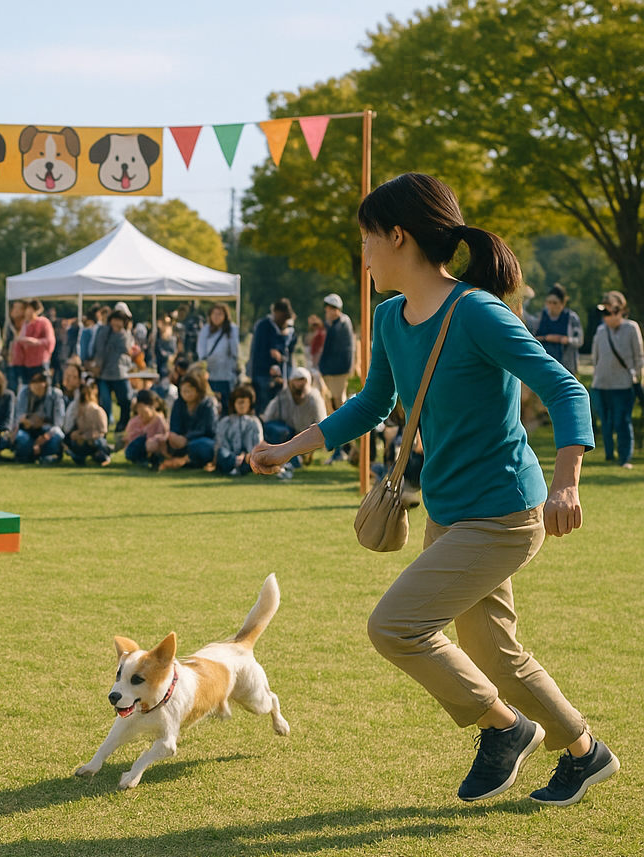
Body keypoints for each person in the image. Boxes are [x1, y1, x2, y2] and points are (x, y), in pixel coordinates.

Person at [253, 171, 616, 805]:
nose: (362, 253)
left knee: (395, 625)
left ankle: (506, 730)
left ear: (398, 237)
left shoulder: (477, 311)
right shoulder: (390, 317)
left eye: (367, 238)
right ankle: (586, 753)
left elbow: (565, 387)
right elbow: (371, 405)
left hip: (506, 512)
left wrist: (567, 482)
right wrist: (289, 447)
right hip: (446, 513)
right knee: (495, 654)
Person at [592, 292, 643, 469]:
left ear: (620, 310)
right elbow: (595, 357)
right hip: (601, 384)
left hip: (623, 385)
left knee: (622, 421)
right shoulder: (600, 330)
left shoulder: (631, 328)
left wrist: (636, 376)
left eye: (610, 311)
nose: (606, 317)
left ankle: (625, 458)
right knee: (606, 421)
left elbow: (639, 356)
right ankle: (608, 454)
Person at [260, 366, 330, 480]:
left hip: (306, 435)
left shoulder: (314, 399)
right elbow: (268, 416)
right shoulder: (283, 396)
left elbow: (322, 424)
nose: (299, 384)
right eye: (296, 380)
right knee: (280, 431)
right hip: (285, 433)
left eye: (302, 380)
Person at [91, 307, 138, 434]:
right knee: (105, 402)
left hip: (120, 372)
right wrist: (97, 367)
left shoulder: (126, 334)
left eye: (120, 321)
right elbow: (99, 350)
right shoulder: (103, 332)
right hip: (103, 373)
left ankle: (123, 424)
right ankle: (103, 427)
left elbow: (128, 351)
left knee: (125, 400)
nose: (117, 323)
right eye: (115, 320)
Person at [159, 375, 220, 470]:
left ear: (198, 390)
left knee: (200, 445)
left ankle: (185, 460)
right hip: (180, 442)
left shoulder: (207, 404)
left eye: (190, 390)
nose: (187, 393)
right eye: (184, 391)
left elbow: (209, 429)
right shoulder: (178, 403)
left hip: (202, 440)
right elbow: (174, 426)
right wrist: (175, 437)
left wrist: (187, 439)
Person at [249, 298, 296, 408]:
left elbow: (290, 350)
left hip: (279, 374)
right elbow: (260, 351)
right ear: (276, 312)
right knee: (265, 406)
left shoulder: (286, 329)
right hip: (263, 373)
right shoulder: (264, 326)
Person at [13, 371, 66, 463]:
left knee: (58, 436)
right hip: (29, 431)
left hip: (48, 432)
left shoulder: (56, 395)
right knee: (21, 438)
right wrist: (29, 422)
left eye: (41, 381)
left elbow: (59, 422)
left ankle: (47, 457)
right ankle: (27, 456)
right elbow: (18, 417)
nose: (38, 385)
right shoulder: (24, 392)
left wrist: (46, 436)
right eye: (34, 381)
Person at [195, 303, 239, 414]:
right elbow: (201, 351)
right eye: (214, 314)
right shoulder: (205, 330)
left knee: (226, 405)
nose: (217, 317)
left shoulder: (232, 329)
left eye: (220, 314)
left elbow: (235, 350)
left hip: (226, 375)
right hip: (210, 374)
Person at [318, 293, 357, 413]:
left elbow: (331, 347)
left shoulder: (340, 325)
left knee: (337, 400)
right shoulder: (343, 322)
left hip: (336, 370)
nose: (326, 312)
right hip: (337, 369)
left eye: (328, 310)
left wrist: (323, 367)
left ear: (335, 309)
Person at [7, 299, 55, 396]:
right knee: (27, 391)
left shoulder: (43, 322)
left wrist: (34, 342)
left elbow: (50, 341)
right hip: (26, 365)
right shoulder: (24, 325)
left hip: (40, 362)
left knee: (43, 389)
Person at [533, 284, 583, 377]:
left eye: (555, 302)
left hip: (566, 367)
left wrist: (566, 340)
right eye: (549, 302)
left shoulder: (571, 318)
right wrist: (546, 338)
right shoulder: (541, 317)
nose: (551, 305)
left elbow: (579, 340)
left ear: (562, 303)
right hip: (544, 366)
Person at [213, 383, 262, 476]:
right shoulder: (225, 421)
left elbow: (258, 443)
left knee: (254, 457)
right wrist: (234, 457)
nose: (242, 406)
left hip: (248, 457)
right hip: (229, 455)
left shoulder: (254, 422)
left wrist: (245, 454)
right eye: (239, 402)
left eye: (245, 402)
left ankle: (240, 467)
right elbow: (221, 441)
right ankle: (233, 465)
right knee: (222, 453)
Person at [67, 383, 112, 466]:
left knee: (99, 443)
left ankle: (103, 456)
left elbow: (103, 431)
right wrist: (77, 434)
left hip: (95, 439)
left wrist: (87, 436)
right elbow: (80, 428)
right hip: (84, 439)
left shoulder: (97, 411)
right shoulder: (80, 412)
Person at [124, 388, 170, 467]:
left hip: (154, 445)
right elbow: (129, 437)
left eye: (144, 411)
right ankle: (141, 459)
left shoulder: (158, 420)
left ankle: (155, 459)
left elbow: (163, 435)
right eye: (139, 410)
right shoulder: (135, 420)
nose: (141, 414)